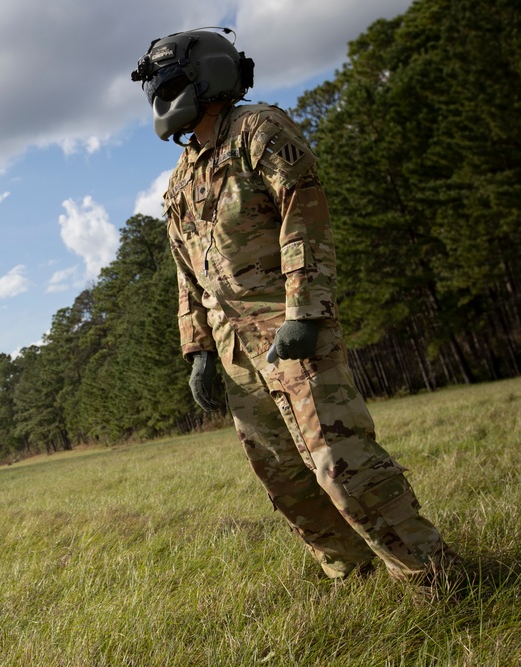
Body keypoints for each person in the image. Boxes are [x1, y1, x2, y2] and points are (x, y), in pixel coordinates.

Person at [131, 28, 455, 589]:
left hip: (287, 329)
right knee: (283, 476)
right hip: (234, 350)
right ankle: (353, 577)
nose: (163, 93)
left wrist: (304, 312)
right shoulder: (180, 181)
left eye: (173, 79)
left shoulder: (258, 129)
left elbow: (303, 215)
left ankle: (433, 576)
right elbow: (187, 275)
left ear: (207, 75)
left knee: (340, 462)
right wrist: (198, 350)